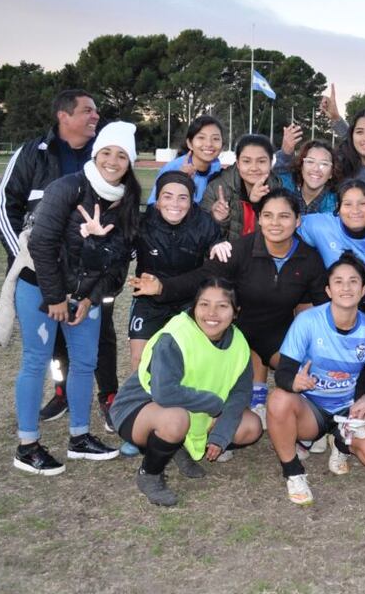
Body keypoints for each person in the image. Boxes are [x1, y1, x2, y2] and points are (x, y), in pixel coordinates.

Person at [130, 189, 328, 431]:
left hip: (278, 332)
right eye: (268, 215)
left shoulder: (309, 259)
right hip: (236, 331)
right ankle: (228, 411)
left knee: (308, 368)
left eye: (284, 216)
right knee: (222, 377)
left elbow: (320, 307)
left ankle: (310, 420)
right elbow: (201, 278)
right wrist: (163, 286)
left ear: (297, 220)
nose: (275, 223)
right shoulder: (240, 250)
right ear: (259, 219)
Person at [12, 121, 142, 475]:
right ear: (95, 153)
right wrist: (55, 298)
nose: (113, 161)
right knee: (36, 362)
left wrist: (88, 298)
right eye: (106, 153)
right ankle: (27, 445)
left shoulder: (128, 201)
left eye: (121, 155)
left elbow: (117, 266)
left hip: (85, 296)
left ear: (130, 162)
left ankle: (80, 437)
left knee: (85, 362)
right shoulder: (67, 187)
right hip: (40, 287)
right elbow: (42, 243)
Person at [0, 89, 119, 428]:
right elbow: (5, 205)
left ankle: (109, 396)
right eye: (87, 111)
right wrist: (24, 256)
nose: (95, 116)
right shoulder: (33, 153)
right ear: (64, 116)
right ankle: (62, 392)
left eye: (96, 111)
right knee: (53, 339)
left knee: (101, 332)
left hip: (90, 274)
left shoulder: (103, 154)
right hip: (44, 271)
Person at [110, 278, 263, 506]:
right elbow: (164, 394)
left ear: (235, 312)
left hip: (191, 407)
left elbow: (240, 394)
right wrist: (214, 404)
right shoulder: (176, 336)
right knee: (175, 419)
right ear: (194, 306)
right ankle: (149, 474)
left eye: (222, 306)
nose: (212, 313)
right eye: (204, 304)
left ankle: (178, 447)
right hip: (138, 409)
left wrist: (221, 434)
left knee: (252, 426)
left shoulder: (239, 342)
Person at [267, 253, 365, 505]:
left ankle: (340, 441)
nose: (346, 287)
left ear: (363, 290)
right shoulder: (307, 322)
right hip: (310, 410)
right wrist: (293, 382)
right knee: (279, 398)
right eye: (338, 281)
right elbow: (284, 371)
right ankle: (293, 472)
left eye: (353, 281)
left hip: (349, 411)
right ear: (328, 290)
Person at [129, 171, 223, 371]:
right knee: (140, 358)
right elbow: (120, 250)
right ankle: (142, 401)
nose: (175, 204)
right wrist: (97, 239)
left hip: (189, 299)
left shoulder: (204, 223)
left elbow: (213, 267)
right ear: (157, 200)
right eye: (167, 196)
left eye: (183, 198)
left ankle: (183, 400)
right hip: (149, 299)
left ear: (191, 202)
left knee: (188, 359)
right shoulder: (142, 223)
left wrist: (219, 244)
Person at [297, 179, 365, 323]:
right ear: (338, 207)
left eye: (363, 204)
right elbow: (287, 224)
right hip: (340, 298)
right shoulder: (319, 226)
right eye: (347, 204)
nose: (355, 211)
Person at [201, 134, 283, 240]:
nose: (254, 168)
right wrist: (218, 219)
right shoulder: (217, 188)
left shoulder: (278, 190)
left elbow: (279, 236)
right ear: (238, 163)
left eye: (261, 161)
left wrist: (258, 204)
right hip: (226, 254)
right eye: (246, 161)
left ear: (271, 163)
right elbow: (202, 235)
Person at [147, 115, 225, 204]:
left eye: (215, 139)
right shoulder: (173, 168)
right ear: (189, 143)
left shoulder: (216, 167)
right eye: (201, 137)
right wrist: (179, 179)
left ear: (222, 146)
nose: (209, 143)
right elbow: (152, 205)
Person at [282, 139, 338, 214]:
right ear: (301, 166)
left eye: (324, 164)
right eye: (310, 161)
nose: (316, 169)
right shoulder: (283, 189)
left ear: (331, 173)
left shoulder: (338, 204)